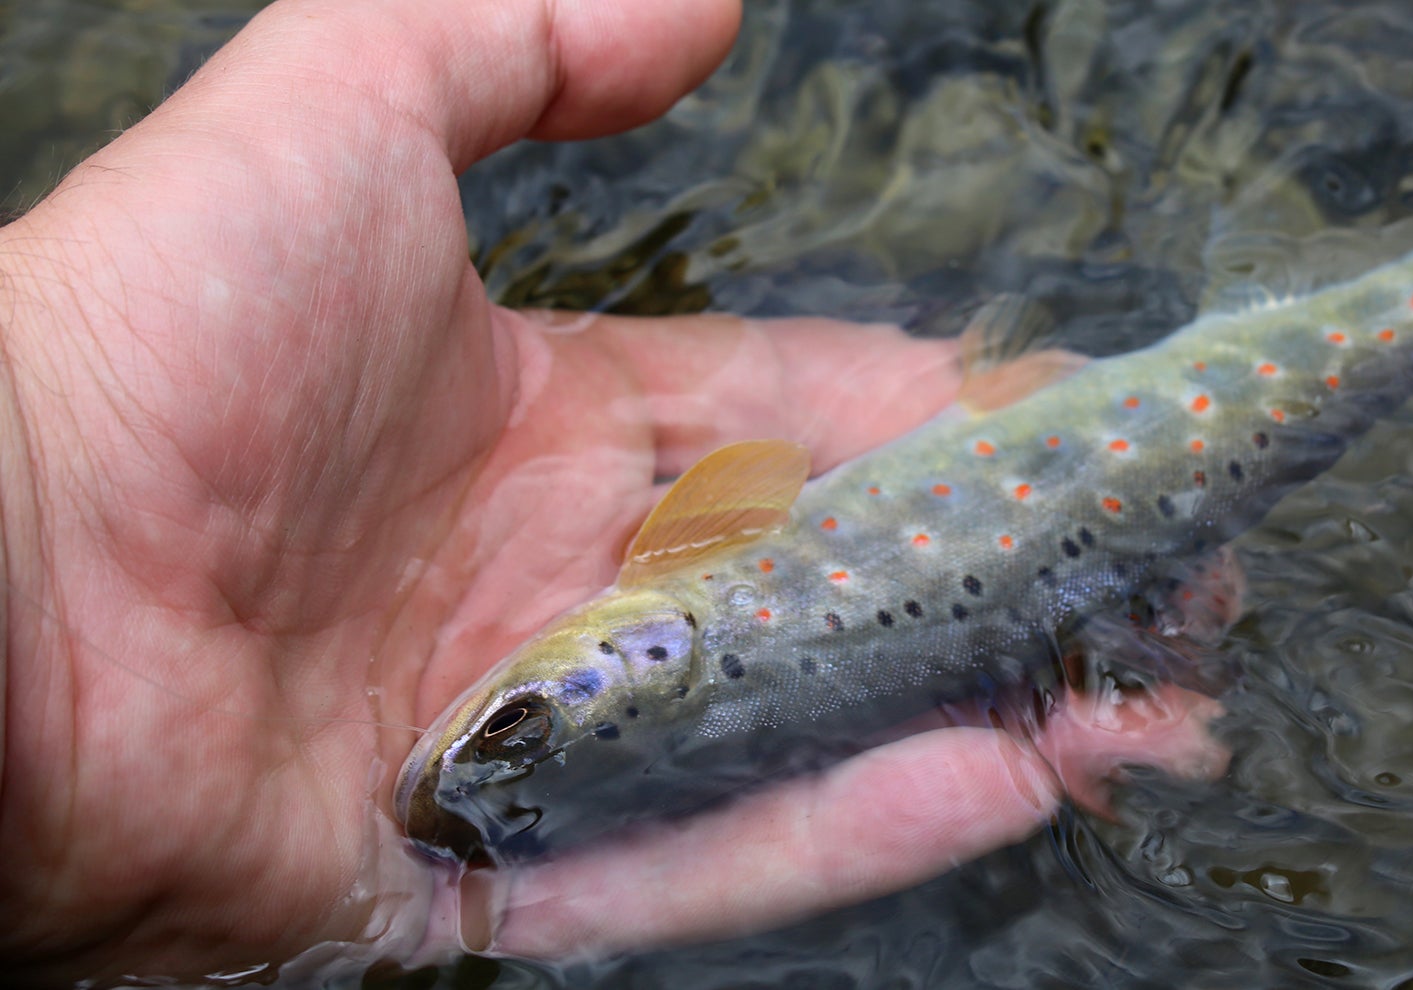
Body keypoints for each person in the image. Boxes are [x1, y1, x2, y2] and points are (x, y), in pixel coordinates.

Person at [0, 0, 1227, 984]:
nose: (493, 719)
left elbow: (749, 483)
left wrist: (50, 462)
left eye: (527, 717)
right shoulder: (665, 590)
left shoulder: (667, 578)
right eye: (521, 718)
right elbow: (748, 492)